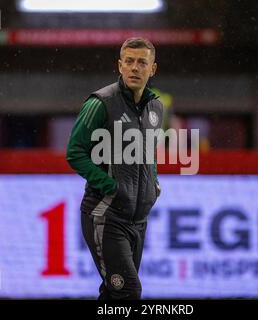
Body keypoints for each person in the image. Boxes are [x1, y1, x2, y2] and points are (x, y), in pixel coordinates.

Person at [66, 37, 163, 299]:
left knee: (113, 294)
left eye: (142, 62)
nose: (134, 68)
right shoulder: (100, 103)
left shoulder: (156, 107)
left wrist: (153, 182)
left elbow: (148, 152)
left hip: (138, 220)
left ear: (152, 69)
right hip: (106, 215)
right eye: (129, 62)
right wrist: (111, 186)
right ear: (119, 66)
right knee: (128, 291)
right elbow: (75, 153)